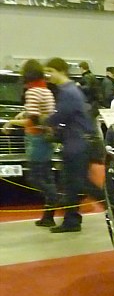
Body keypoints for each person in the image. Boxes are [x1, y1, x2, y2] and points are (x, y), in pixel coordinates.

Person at [2, 59, 58, 227]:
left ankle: (57, 197)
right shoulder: (45, 89)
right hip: (47, 138)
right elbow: (40, 112)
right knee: (47, 177)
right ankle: (48, 216)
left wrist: (11, 122)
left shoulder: (32, 91)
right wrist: (23, 113)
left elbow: (33, 120)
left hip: (36, 139)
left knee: (35, 177)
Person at [44, 57, 95, 233]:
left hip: (76, 144)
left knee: (74, 184)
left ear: (61, 71)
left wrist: (42, 121)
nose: (48, 75)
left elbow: (60, 115)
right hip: (75, 142)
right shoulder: (69, 90)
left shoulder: (68, 92)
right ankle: (72, 219)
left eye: (50, 71)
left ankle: (72, 221)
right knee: (74, 183)